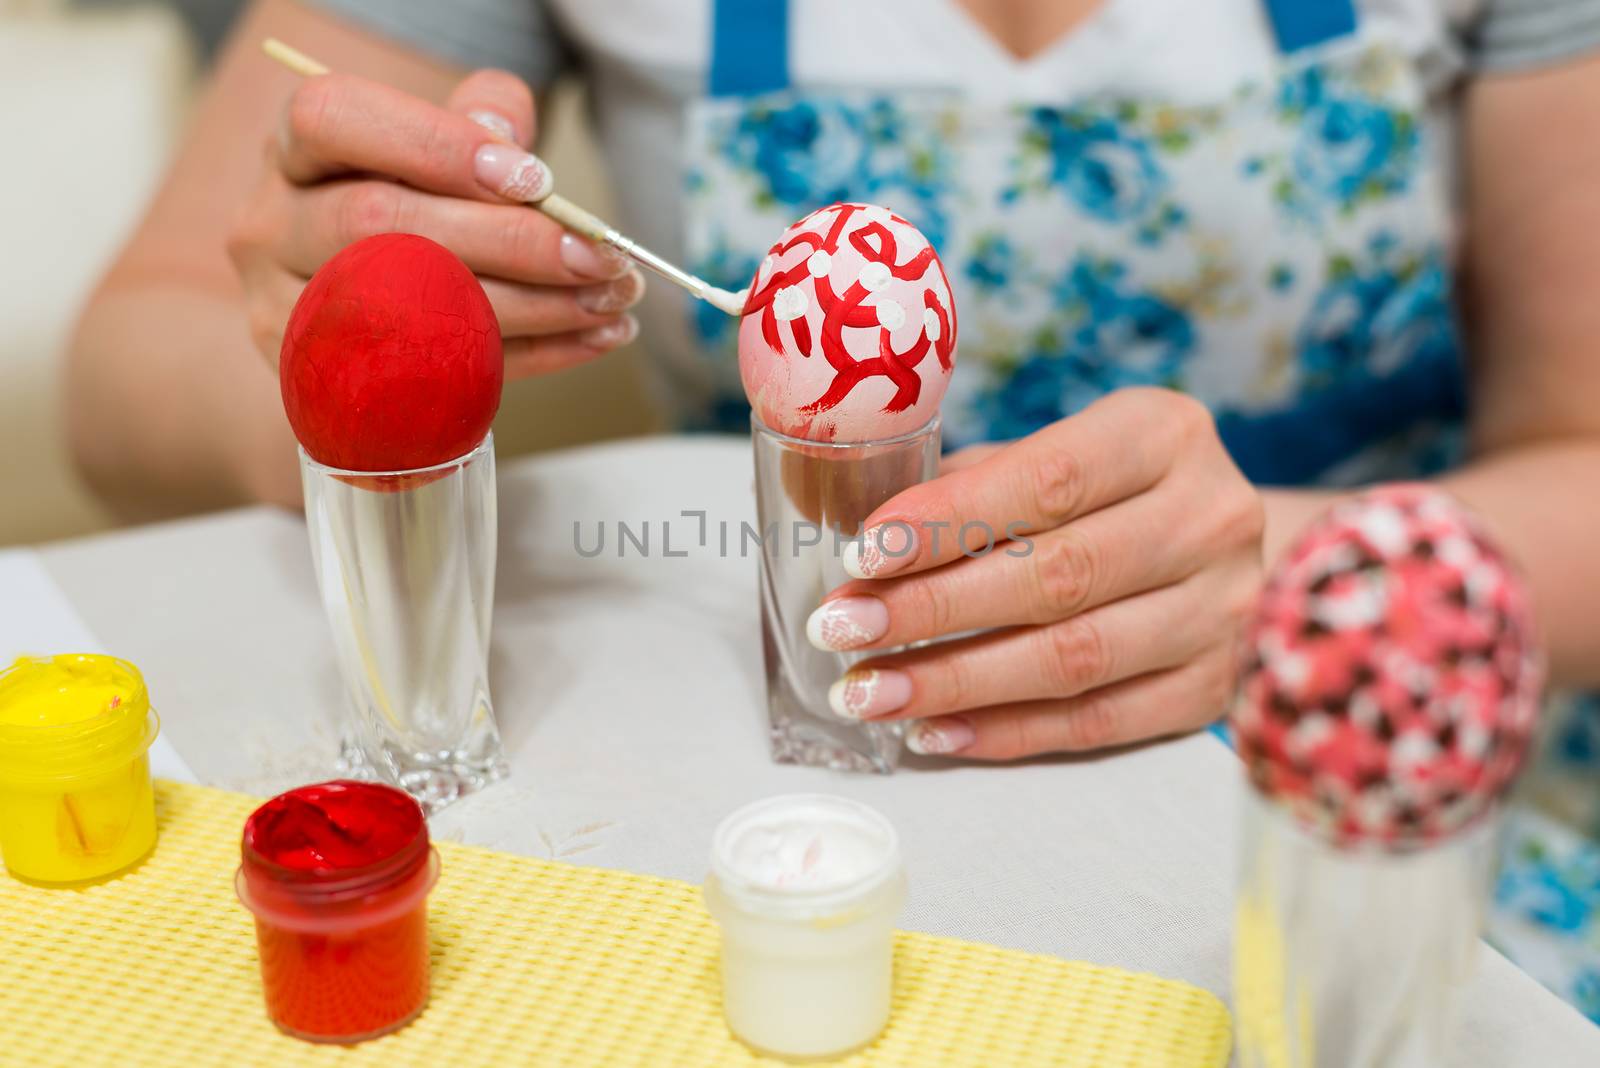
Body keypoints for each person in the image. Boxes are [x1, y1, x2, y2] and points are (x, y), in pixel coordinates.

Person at [66, 0, 1600, 1019]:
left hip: (1384, 769)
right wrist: (355, 338)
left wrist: (1316, 584)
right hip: (793, 751)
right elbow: (121, 383)